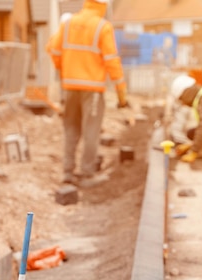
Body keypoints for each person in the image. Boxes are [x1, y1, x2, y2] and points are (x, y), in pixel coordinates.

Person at [46, 0, 129, 188]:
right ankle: (87, 173)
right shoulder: (102, 27)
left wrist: (63, 69)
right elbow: (112, 61)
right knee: (91, 131)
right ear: (103, 5)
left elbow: (52, 48)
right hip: (92, 90)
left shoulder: (68, 23)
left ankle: (67, 173)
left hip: (69, 87)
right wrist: (121, 93)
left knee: (71, 129)